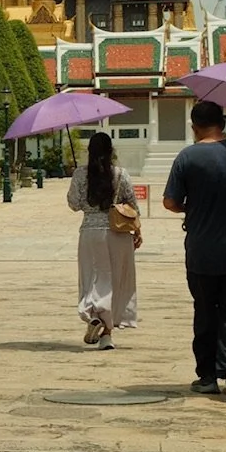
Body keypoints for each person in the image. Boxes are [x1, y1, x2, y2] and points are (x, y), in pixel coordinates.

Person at [162, 98, 226, 401]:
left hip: (201, 253)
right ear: (222, 124)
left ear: (194, 127)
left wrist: (189, 207)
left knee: (205, 312)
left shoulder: (187, 157)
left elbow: (169, 202)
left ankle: (207, 376)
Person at [66, 131, 141, 350]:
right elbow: (132, 205)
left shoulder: (80, 175)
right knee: (115, 280)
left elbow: (74, 204)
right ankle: (107, 333)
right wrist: (138, 231)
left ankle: (93, 313)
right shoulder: (121, 174)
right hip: (118, 232)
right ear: (111, 151)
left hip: (90, 231)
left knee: (93, 277)